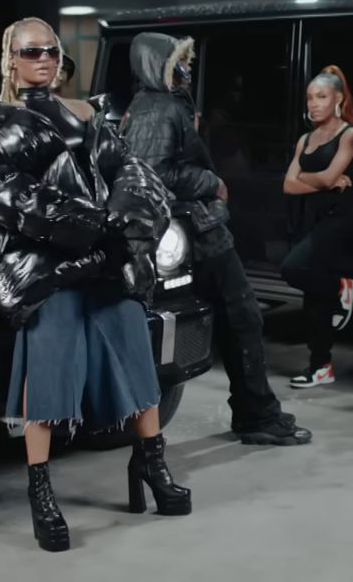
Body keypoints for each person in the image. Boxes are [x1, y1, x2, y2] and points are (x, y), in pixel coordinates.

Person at [0, 18, 190, 552]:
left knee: (137, 354)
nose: (42, 59)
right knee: (49, 372)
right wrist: (92, 225)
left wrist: (125, 221)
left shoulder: (89, 112)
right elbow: (10, 198)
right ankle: (41, 491)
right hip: (48, 269)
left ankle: (151, 464)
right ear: (10, 60)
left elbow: (133, 173)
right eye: (30, 51)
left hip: (106, 262)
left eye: (50, 50)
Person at [120, 32, 314, 446]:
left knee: (239, 319)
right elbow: (152, 172)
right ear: (159, 66)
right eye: (178, 63)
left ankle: (256, 411)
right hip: (196, 231)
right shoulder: (159, 108)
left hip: (196, 228)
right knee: (242, 317)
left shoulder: (157, 105)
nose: (187, 70)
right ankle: (256, 414)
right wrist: (210, 180)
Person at [280, 66, 353, 387]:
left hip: (339, 221)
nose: (314, 104)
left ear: (338, 99)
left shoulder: (350, 135)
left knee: (293, 269)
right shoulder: (304, 139)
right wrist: (322, 181)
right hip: (311, 219)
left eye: (322, 97)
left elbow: (329, 178)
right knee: (313, 299)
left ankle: (340, 287)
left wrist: (310, 179)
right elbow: (288, 185)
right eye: (310, 98)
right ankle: (321, 366)